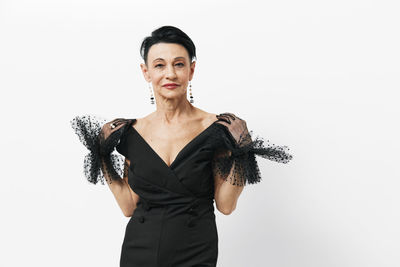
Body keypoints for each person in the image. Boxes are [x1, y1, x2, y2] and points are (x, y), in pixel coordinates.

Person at [70, 25, 293, 267]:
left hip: (195, 251)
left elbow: (226, 205)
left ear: (191, 70)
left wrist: (242, 151)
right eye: (159, 65)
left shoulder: (216, 129)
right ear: (146, 72)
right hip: (139, 250)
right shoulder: (132, 133)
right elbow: (128, 206)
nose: (170, 74)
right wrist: (101, 155)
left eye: (178, 64)